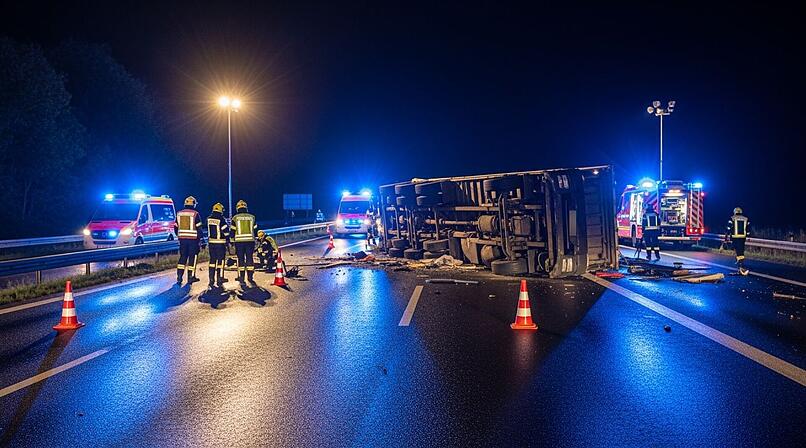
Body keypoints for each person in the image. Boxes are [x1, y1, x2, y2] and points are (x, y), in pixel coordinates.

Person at [175, 196, 202, 284]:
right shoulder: (195, 214)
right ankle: (191, 277)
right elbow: (199, 229)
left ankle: (179, 276)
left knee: (182, 258)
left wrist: (179, 235)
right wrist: (200, 239)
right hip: (193, 241)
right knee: (192, 259)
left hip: (182, 240)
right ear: (193, 204)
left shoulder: (179, 213)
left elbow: (175, 227)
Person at [232, 199, 258, 285]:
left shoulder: (235, 218)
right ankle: (250, 277)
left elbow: (232, 231)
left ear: (237, 208)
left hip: (239, 242)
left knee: (241, 259)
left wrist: (231, 241)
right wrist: (257, 239)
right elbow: (255, 229)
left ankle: (241, 277)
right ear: (246, 208)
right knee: (250, 258)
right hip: (250, 241)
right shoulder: (252, 217)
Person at [206, 202, 230, 288]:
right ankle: (220, 278)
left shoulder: (208, 219)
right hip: (220, 243)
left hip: (211, 243)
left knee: (212, 261)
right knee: (221, 261)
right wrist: (228, 239)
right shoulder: (221, 219)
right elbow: (226, 231)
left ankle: (211, 279)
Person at [727, 207, 750, 275]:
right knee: (741, 250)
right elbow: (748, 229)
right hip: (743, 237)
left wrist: (727, 235)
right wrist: (747, 236)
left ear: (735, 212)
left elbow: (729, 228)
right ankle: (741, 263)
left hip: (735, 237)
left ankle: (740, 265)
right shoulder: (746, 219)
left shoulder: (732, 218)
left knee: (737, 251)